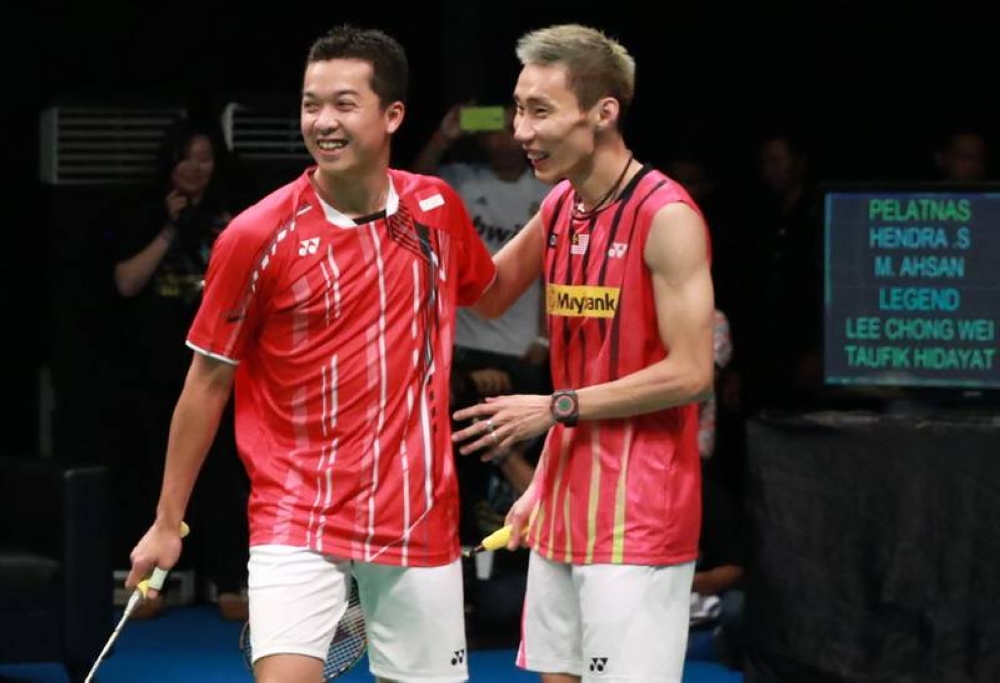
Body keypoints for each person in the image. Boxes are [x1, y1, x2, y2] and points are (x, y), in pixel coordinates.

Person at [125, 25, 495, 683]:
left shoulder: (437, 208)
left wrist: (561, 207)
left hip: (416, 513)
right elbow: (206, 382)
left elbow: (491, 292)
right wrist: (166, 521)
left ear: (392, 115)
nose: (322, 121)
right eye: (310, 104)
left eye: (344, 104)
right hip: (298, 512)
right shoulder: (256, 235)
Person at [453, 24, 715, 683]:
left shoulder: (667, 216)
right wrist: (410, 212)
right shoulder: (560, 206)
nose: (521, 130)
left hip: (640, 513)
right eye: (518, 109)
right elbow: (485, 294)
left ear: (603, 112)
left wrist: (556, 406)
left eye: (540, 111)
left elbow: (692, 371)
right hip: (565, 504)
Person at [109, 117, 251, 621]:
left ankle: (228, 581)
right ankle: (147, 586)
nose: (196, 167)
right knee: (153, 476)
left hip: (219, 368)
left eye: (205, 158)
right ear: (169, 162)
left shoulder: (235, 219)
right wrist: (171, 229)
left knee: (222, 479)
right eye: (187, 157)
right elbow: (126, 283)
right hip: (154, 369)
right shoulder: (144, 215)